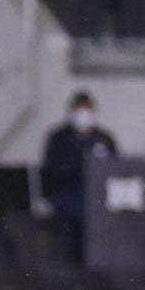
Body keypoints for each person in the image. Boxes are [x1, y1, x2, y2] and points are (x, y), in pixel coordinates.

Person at [40, 90, 118, 253]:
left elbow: (115, 168)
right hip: (67, 196)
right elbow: (52, 170)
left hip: (98, 198)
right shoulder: (59, 138)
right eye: (79, 110)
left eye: (87, 109)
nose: (83, 114)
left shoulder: (104, 138)